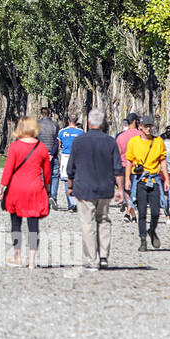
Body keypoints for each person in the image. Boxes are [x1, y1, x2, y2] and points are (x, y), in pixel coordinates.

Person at [67, 108, 122, 270]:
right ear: (103, 123)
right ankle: (103, 255)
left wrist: (70, 185)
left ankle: (92, 260)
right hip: (105, 188)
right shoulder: (110, 142)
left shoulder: (79, 141)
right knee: (104, 219)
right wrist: (120, 189)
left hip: (84, 188)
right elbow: (117, 167)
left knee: (88, 223)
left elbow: (71, 167)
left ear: (89, 122)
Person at [0, 116, 51, 268]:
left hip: (16, 188)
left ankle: (17, 256)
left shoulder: (15, 147)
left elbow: (8, 169)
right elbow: (46, 172)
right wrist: (47, 188)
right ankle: (32, 259)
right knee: (33, 225)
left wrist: (1, 187)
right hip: (35, 188)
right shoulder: (41, 148)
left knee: (16, 223)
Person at [125, 116, 168, 251]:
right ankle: (143, 239)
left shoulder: (158, 142)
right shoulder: (133, 142)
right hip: (140, 180)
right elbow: (129, 161)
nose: (149, 129)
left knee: (155, 211)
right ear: (140, 127)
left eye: (150, 126)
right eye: (146, 126)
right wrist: (127, 179)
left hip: (154, 179)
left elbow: (163, 161)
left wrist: (166, 178)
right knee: (142, 211)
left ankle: (152, 230)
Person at [56, 112, 85, 212]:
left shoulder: (62, 132)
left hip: (65, 156)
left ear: (68, 121)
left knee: (66, 179)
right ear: (77, 122)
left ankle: (70, 203)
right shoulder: (81, 132)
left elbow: (59, 145)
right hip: (77, 157)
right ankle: (76, 202)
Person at [115, 113, 140, 221]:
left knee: (127, 191)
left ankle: (132, 215)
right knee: (134, 191)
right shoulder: (141, 135)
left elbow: (118, 153)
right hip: (137, 166)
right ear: (135, 122)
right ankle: (128, 213)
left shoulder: (120, 136)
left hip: (123, 166)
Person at [37, 106, 61, 209]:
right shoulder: (55, 125)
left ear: (41, 115)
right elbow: (57, 140)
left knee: (42, 175)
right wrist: (51, 153)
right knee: (55, 176)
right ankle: (53, 196)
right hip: (53, 154)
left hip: (41, 154)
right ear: (50, 115)